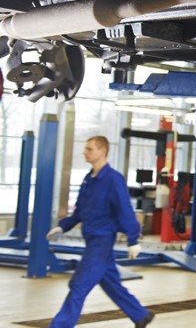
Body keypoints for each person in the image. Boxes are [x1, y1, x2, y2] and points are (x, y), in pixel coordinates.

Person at [46, 136, 155, 328]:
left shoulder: (113, 179)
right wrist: (63, 226)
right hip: (92, 239)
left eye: (89, 149)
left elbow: (125, 209)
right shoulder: (89, 179)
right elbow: (81, 211)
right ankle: (140, 315)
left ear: (102, 151)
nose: (84, 152)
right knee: (110, 282)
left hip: (101, 241)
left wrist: (133, 239)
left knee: (78, 285)